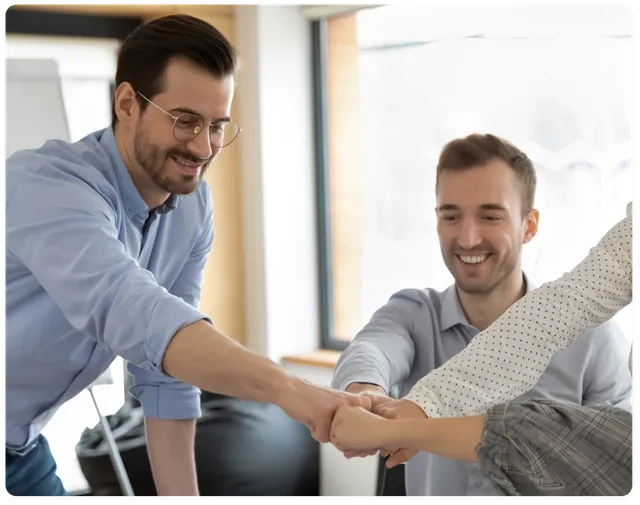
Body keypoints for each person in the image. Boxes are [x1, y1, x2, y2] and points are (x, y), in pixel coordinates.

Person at [2, 15, 370, 498]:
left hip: (19, 448)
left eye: (217, 126)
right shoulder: (48, 188)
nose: (203, 147)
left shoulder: (191, 208)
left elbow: (168, 372)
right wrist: (291, 391)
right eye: (185, 121)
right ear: (127, 103)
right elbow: (135, 310)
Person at [330, 134, 632, 497]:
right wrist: (364, 396)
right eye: (451, 216)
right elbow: (371, 351)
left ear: (529, 226)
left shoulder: (596, 342)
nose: (468, 238)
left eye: (490, 216)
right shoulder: (412, 314)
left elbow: (612, 462)